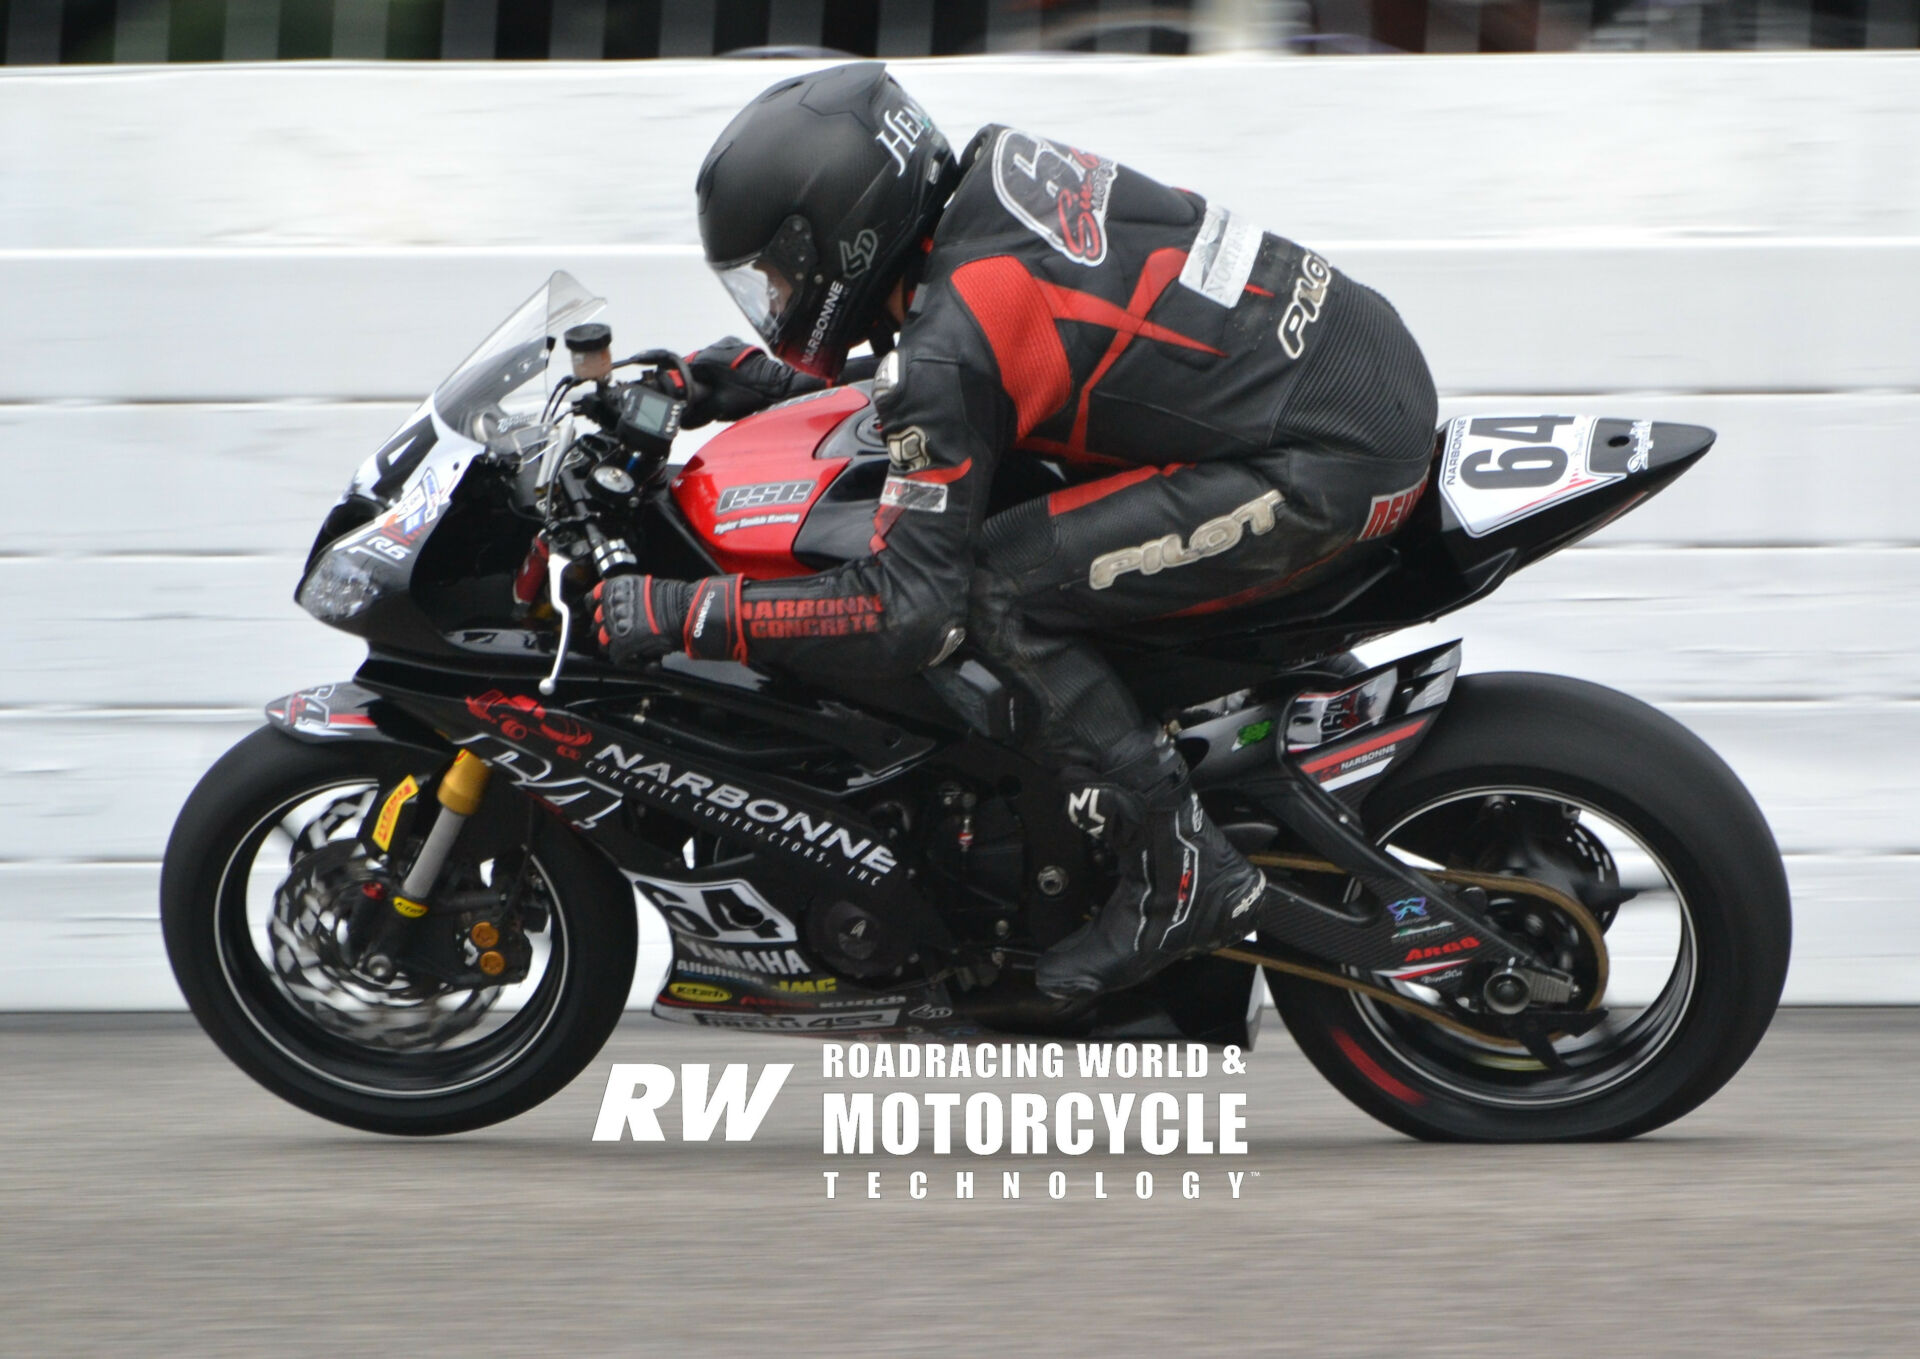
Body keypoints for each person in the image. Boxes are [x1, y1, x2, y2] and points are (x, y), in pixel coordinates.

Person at [594, 63, 1438, 999]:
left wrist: (687, 610)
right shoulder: (994, 177)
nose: (782, 296)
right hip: (1359, 359)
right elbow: (998, 339)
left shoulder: (949, 342)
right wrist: (739, 377)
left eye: (785, 271)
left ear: (842, 227)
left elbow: (909, 611)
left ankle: (1180, 865)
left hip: (1323, 462)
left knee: (994, 586)